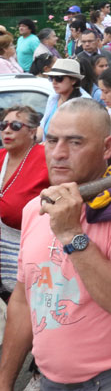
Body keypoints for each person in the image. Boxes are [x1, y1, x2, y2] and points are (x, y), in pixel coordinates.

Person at [0, 98, 111, 390]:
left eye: (75, 142)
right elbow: (23, 301)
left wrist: (72, 233)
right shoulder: (34, 209)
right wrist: (4, 380)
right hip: (51, 379)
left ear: (107, 147)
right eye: (52, 140)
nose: (59, 154)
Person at [0, 106, 49, 296]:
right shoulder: (1, 156)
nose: (7, 130)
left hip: (31, 260)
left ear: (32, 131)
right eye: (4, 125)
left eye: (16, 125)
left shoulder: (46, 159)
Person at [41, 59, 90, 136]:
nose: (54, 82)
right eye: (51, 77)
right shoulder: (53, 97)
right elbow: (42, 128)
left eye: (59, 78)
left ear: (73, 80)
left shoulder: (85, 103)